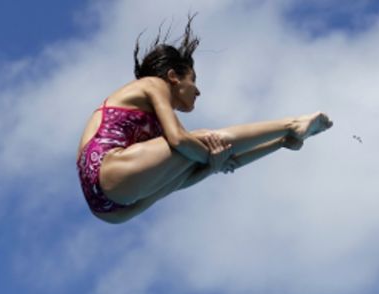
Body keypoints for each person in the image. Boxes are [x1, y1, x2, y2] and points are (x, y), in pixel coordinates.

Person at [76, 14, 333, 224]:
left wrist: (212, 163)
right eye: (193, 80)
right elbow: (178, 139)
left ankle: (283, 141)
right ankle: (291, 124)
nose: (198, 91)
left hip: (110, 207)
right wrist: (213, 159)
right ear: (174, 76)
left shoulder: (155, 133)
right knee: (203, 142)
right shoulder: (153, 84)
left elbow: (181, 163)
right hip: (105, 168)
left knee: (198, 160)